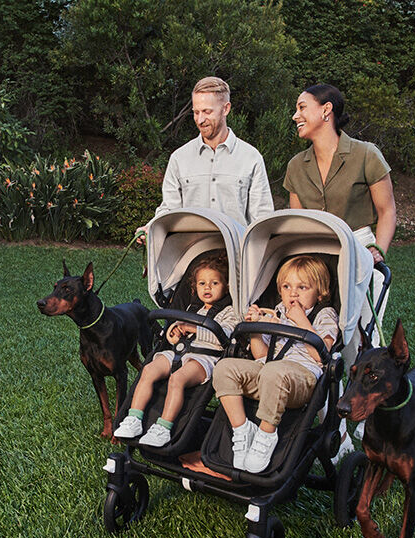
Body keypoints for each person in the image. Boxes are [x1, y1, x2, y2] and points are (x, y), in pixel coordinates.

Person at [284, 83, 397, 445]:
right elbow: (298, 225)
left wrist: (379, 248)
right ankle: (333, 433)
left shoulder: (365, 155)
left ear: (326, 110)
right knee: (318, 344)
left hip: (361, 253)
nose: (295, 115)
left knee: (360, 345)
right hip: (318, 259)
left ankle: (368, 429)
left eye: (302, 107)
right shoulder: (295, 166)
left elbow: (387, 210)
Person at [212, 255, 339, 473]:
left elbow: (322, 355)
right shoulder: (277, 312)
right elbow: (261, 356)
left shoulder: (323, 314)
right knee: (224, 368)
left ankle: (266, 435)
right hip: (268, 372)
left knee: (274, 371)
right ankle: (242, 429)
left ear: (320, 293)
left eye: (302, 287)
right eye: (287, 286)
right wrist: (256, 329)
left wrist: (301, 320)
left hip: (302, 380)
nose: (293, 293)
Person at [114, 254, 237, 447]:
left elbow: (225, 337)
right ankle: (134, 418)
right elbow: (176, 328)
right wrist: (174, 332)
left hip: (204, 359)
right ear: (195, 287)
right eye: (202, 283)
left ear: (226, 286)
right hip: (179, 351)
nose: (207, 287)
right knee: (148, 370)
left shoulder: (231, 312)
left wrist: (194, 329)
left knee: (176, 379)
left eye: (214, 283)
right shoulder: (192, 307)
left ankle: (163, 427)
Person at [135, 76, 274, 240]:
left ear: (226, 109)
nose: (200, 120)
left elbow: (262, 220)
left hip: (237, 257)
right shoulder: (179, 158)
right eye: (196, 112)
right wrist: (151, 227)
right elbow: (169, 209)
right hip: (191, 256)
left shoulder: (251, 158)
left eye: (207, 112)